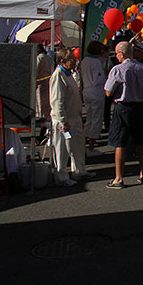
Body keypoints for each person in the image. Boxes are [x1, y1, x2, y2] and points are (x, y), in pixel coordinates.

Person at [104, 41, 143, 189]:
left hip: (123, 106)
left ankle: (119, 178)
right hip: (139, 106)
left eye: (117, 54)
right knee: (141, 142)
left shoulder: (118, 69)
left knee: (120, 143)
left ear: (122, 53)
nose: (117, 56)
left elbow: (108, 91)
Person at [49, 48, 90, 186]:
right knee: (61, 149)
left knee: (77, 146)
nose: (74, 61)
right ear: (62, 61)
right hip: (64, 119)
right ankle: (61, 176)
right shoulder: (58, 75)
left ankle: (79, 171)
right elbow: (56, 101)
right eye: (71, 59)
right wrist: (62, 120)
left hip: (74, 117)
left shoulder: (69, 74)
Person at [80, 40, 107, 155]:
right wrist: (106, 79)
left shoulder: (84, 61)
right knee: (96, 119)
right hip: (96, 92)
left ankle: (83, 144)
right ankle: (91, 147)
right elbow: (97, 79)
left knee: (89, 118)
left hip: (86, 90)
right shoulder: (96, 62)